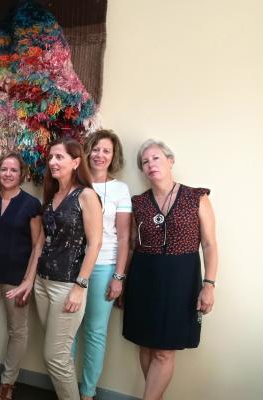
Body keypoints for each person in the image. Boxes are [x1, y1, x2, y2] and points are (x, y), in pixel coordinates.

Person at [122, 139, 218, 400]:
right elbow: (131, 246)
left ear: (170, 160)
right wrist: (123, 282)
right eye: (145, 161)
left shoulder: (197, 197)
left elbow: (209, 245)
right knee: (146, 345)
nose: (151, 164)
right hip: (143, 277)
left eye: (156, 158)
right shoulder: (139, 202)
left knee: (164, 350)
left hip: (181, 279)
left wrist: (208, 285)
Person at [34, 137, 102, 400]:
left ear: (76, 162)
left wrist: (80, 287)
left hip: (67, 286)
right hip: (43, 283)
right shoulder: (52, 196)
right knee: (60, 354)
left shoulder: (86, 195)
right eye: (50, 157)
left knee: (55, 356)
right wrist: (31, 281)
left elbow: (95, 244)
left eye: (59, 157)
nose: (53, 162)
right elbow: (42, 242)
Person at [69, 130, 132, 400]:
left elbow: (125, 236)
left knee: (95, 333)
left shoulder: (120, 189)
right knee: (67, 333)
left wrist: (119, 276)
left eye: (106, 150)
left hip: (103, 266)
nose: (100, 155)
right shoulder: (73, 184)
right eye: (95, 149)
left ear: (113, 156)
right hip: (71, 267)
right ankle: (67, 390)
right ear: (86, 152)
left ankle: (87, 392)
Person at [0, 152, 43, 400]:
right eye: (4, 169)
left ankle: (8, 382)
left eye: (13, 170)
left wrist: (29, 280)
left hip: (17, 278)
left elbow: (38, 245)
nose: (7, 174)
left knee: (17, 330)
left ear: (22, 174)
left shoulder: (31, 204)